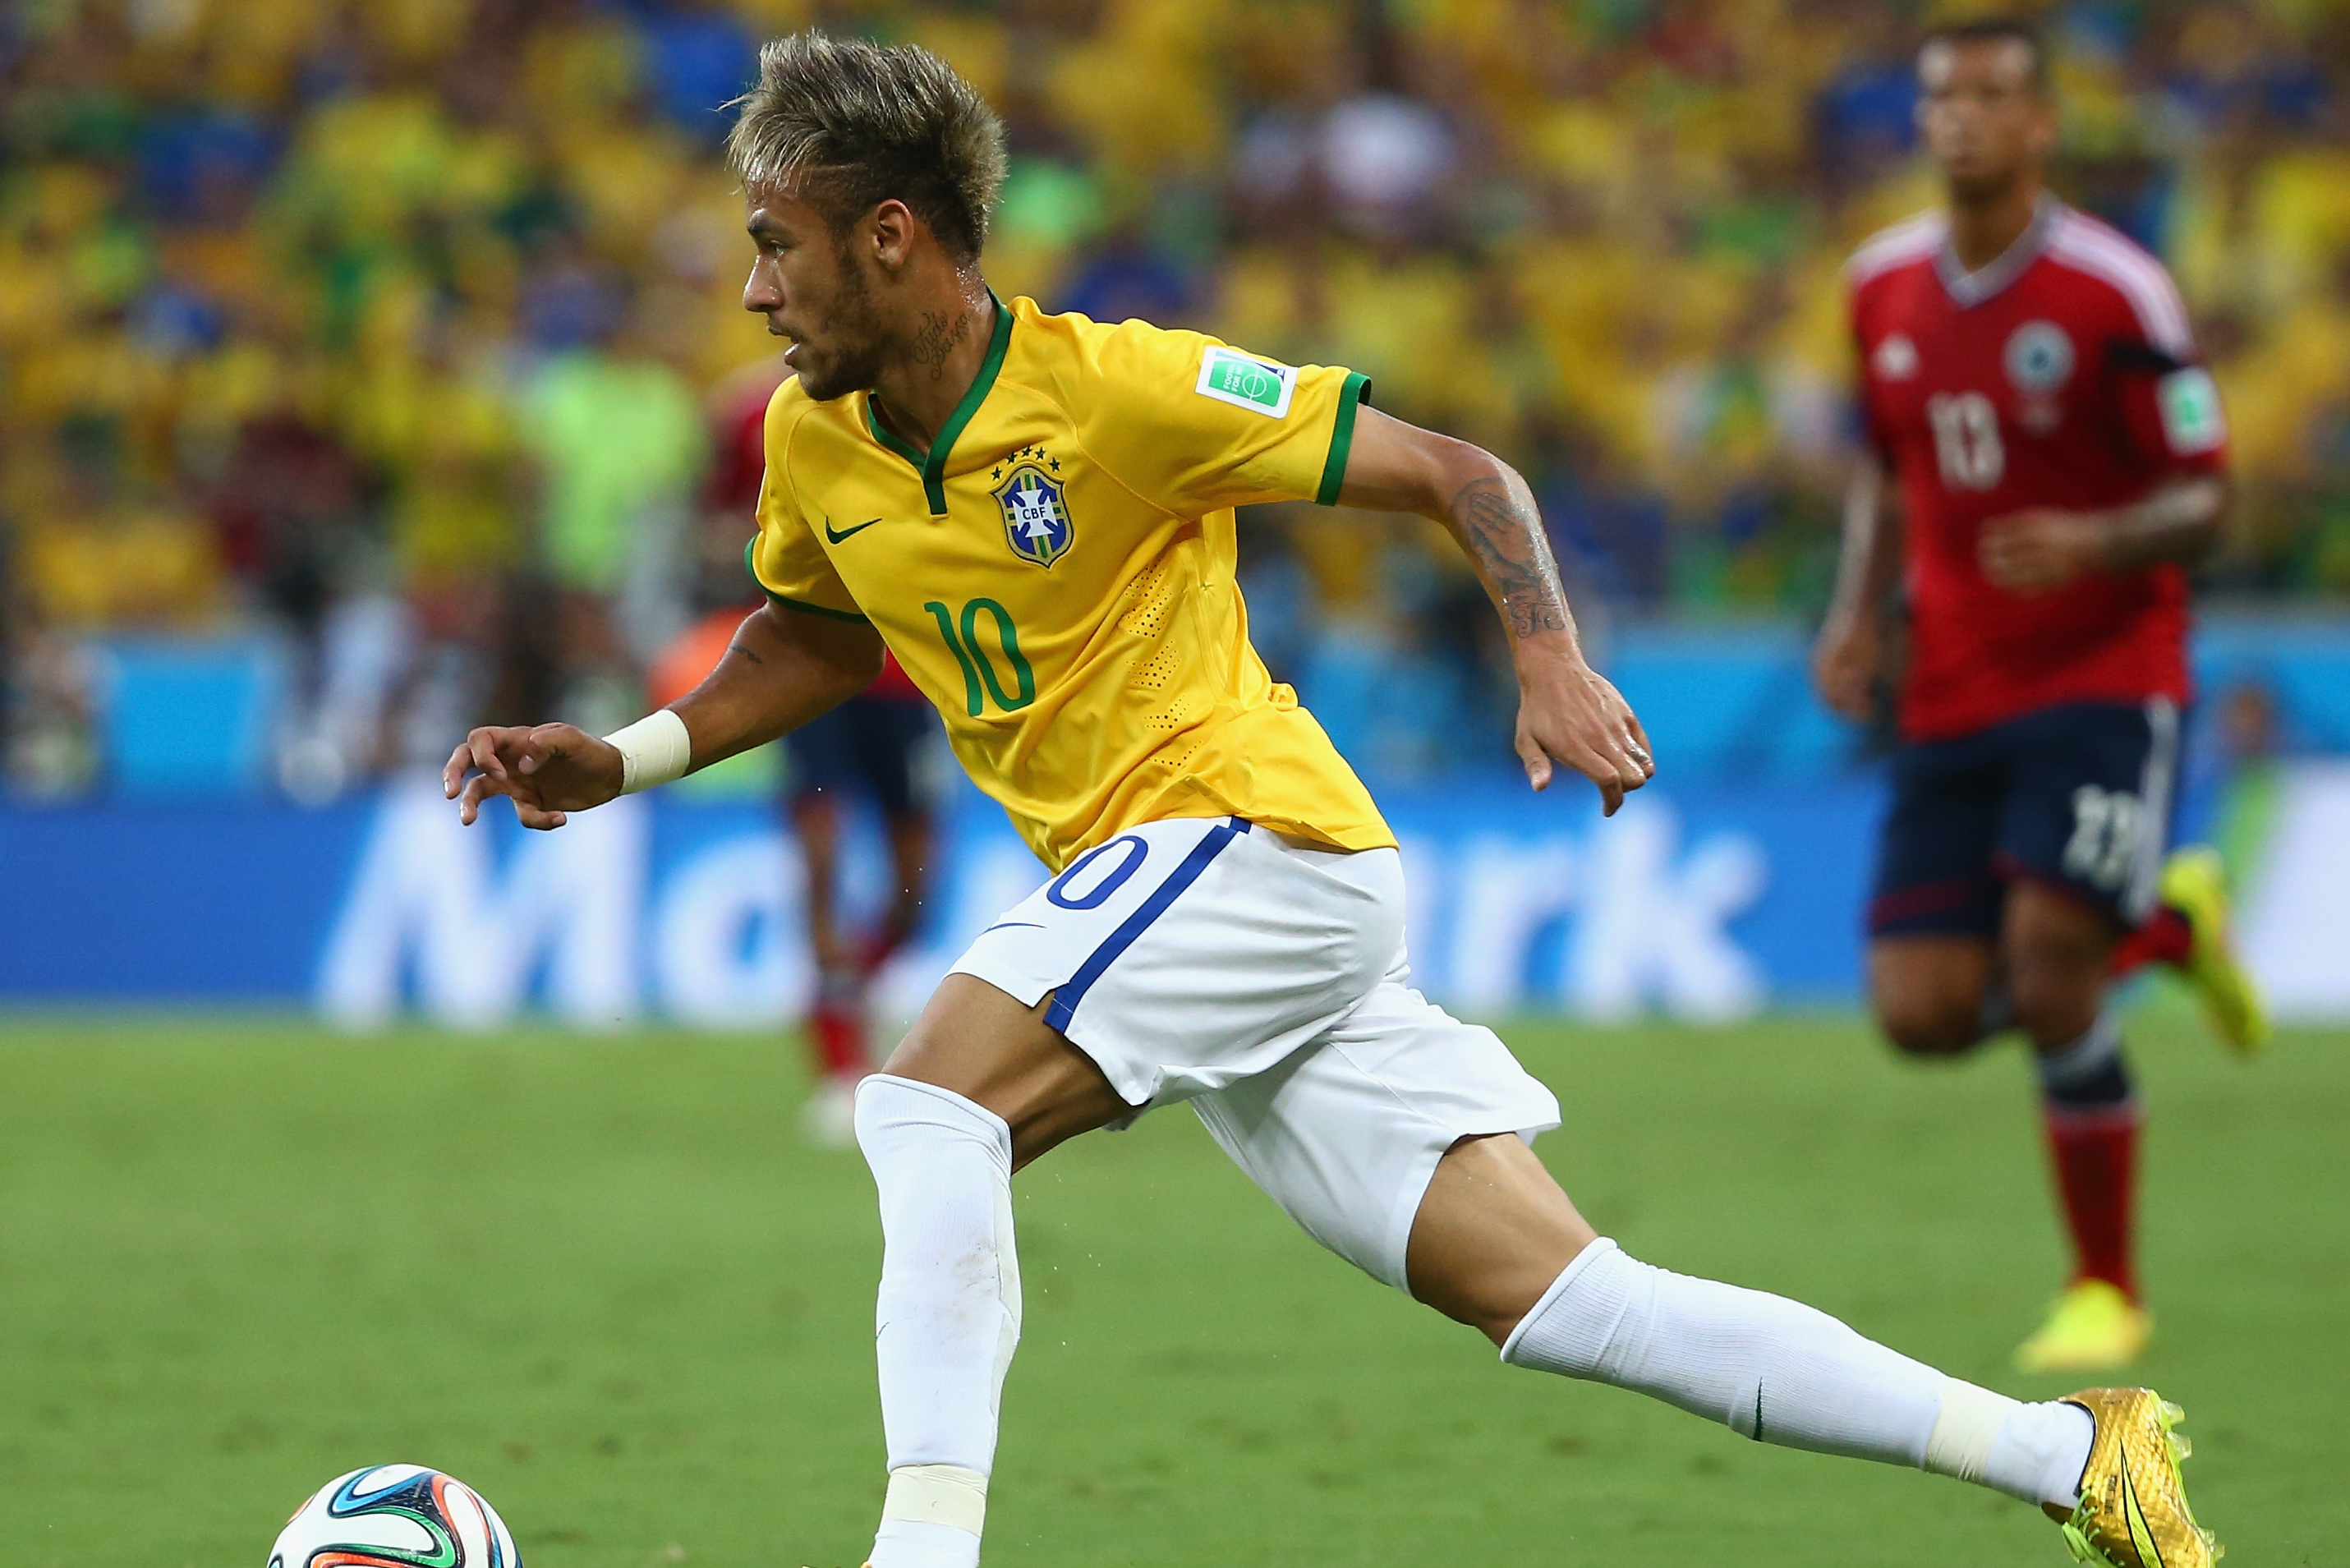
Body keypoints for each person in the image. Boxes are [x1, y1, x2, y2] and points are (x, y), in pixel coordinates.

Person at [448, 32, 2216, 1568]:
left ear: (888, 236)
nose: (754, 287)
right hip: (1176, 899)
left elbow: (1461, 471)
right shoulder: (813, 439)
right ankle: (2072, 1456)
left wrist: (1542, 654)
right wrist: (632, 753)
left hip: (1252, 841)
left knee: (925, 1110)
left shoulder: (1121, 391)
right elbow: (820, 633)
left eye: (776, 245)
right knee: (1573, 1303)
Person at [1813, 17, 2268, 1377]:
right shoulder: (1878, 285)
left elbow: (2211, 497)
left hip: (2102, 673)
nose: (1958, 117)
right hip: (1951, 681)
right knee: (1919, 1011)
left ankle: (2103, 1285)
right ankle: (2168, 929)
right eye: (1940, 94)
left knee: (2049, 969)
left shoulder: (2114, 292)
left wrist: (2096, 541)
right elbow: (1887, 471)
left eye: (1990, 95)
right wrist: (1856, 613)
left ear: (2040, 125)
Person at [709, 356, 942, 1145]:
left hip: (908, 674)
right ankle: (839, 1063)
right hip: (813, 671)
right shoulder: (755, 416)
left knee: (917, 892)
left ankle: (849, 996)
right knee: (821, 860)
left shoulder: (928, 397)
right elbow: (718, 519)